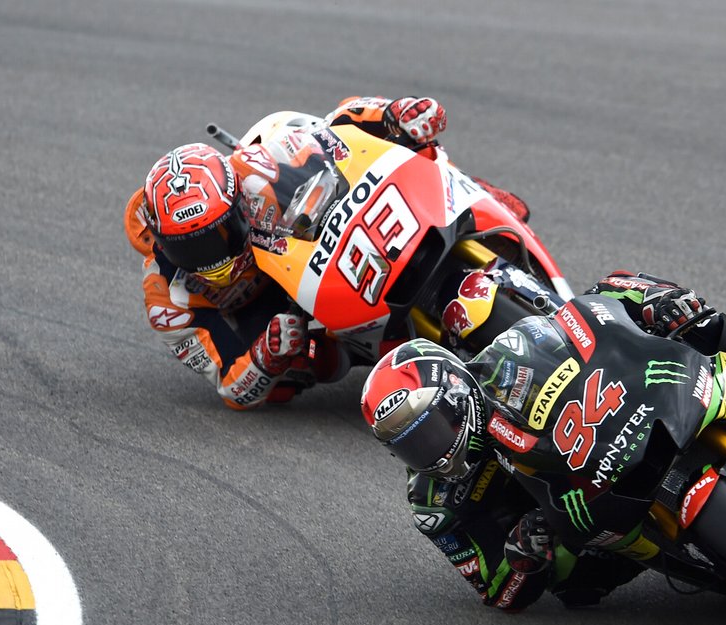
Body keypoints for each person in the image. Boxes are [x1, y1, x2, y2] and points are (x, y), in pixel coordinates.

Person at [359, 273, 726, 611]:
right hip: (582, 526)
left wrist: (649, 307)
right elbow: (495, 591)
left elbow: (575, 320)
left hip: (611, 425)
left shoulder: (503, 360)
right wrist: (521, 556)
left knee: (674, 310)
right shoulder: (431, 500)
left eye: (432, 431)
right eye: (410, 447)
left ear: (456, 393)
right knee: (578, 590)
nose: (431, 452)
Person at [123, 96, 528, 410]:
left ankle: (471, 189)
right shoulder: (165, 301)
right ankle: (374, 349)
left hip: (307, 248)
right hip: (269, 308)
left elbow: (337, 125)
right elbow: (230, 385)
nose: (210, 255)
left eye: (218, 234)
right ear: (161, 242)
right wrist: (264, 358)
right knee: (302, 366)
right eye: (189, 247)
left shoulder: (255, 169)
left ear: (236, 203)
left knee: (415, 148)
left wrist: (392, 114)